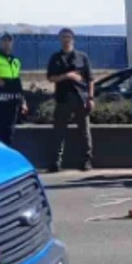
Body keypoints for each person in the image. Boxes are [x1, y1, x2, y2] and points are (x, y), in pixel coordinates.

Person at [46, 28, 95, 172]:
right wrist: (67, 76)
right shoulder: (55, 57)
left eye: (68, 37)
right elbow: (50, 78)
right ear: (60, 39)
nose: (66, 39)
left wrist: (91, 98)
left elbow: (90, 79)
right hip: (63, 98)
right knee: (59, 132)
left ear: (73, 39)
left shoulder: (82, 57)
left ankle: (86, 161)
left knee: (84, 132)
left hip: (81, 98)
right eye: (63, 37)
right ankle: (56, 161)